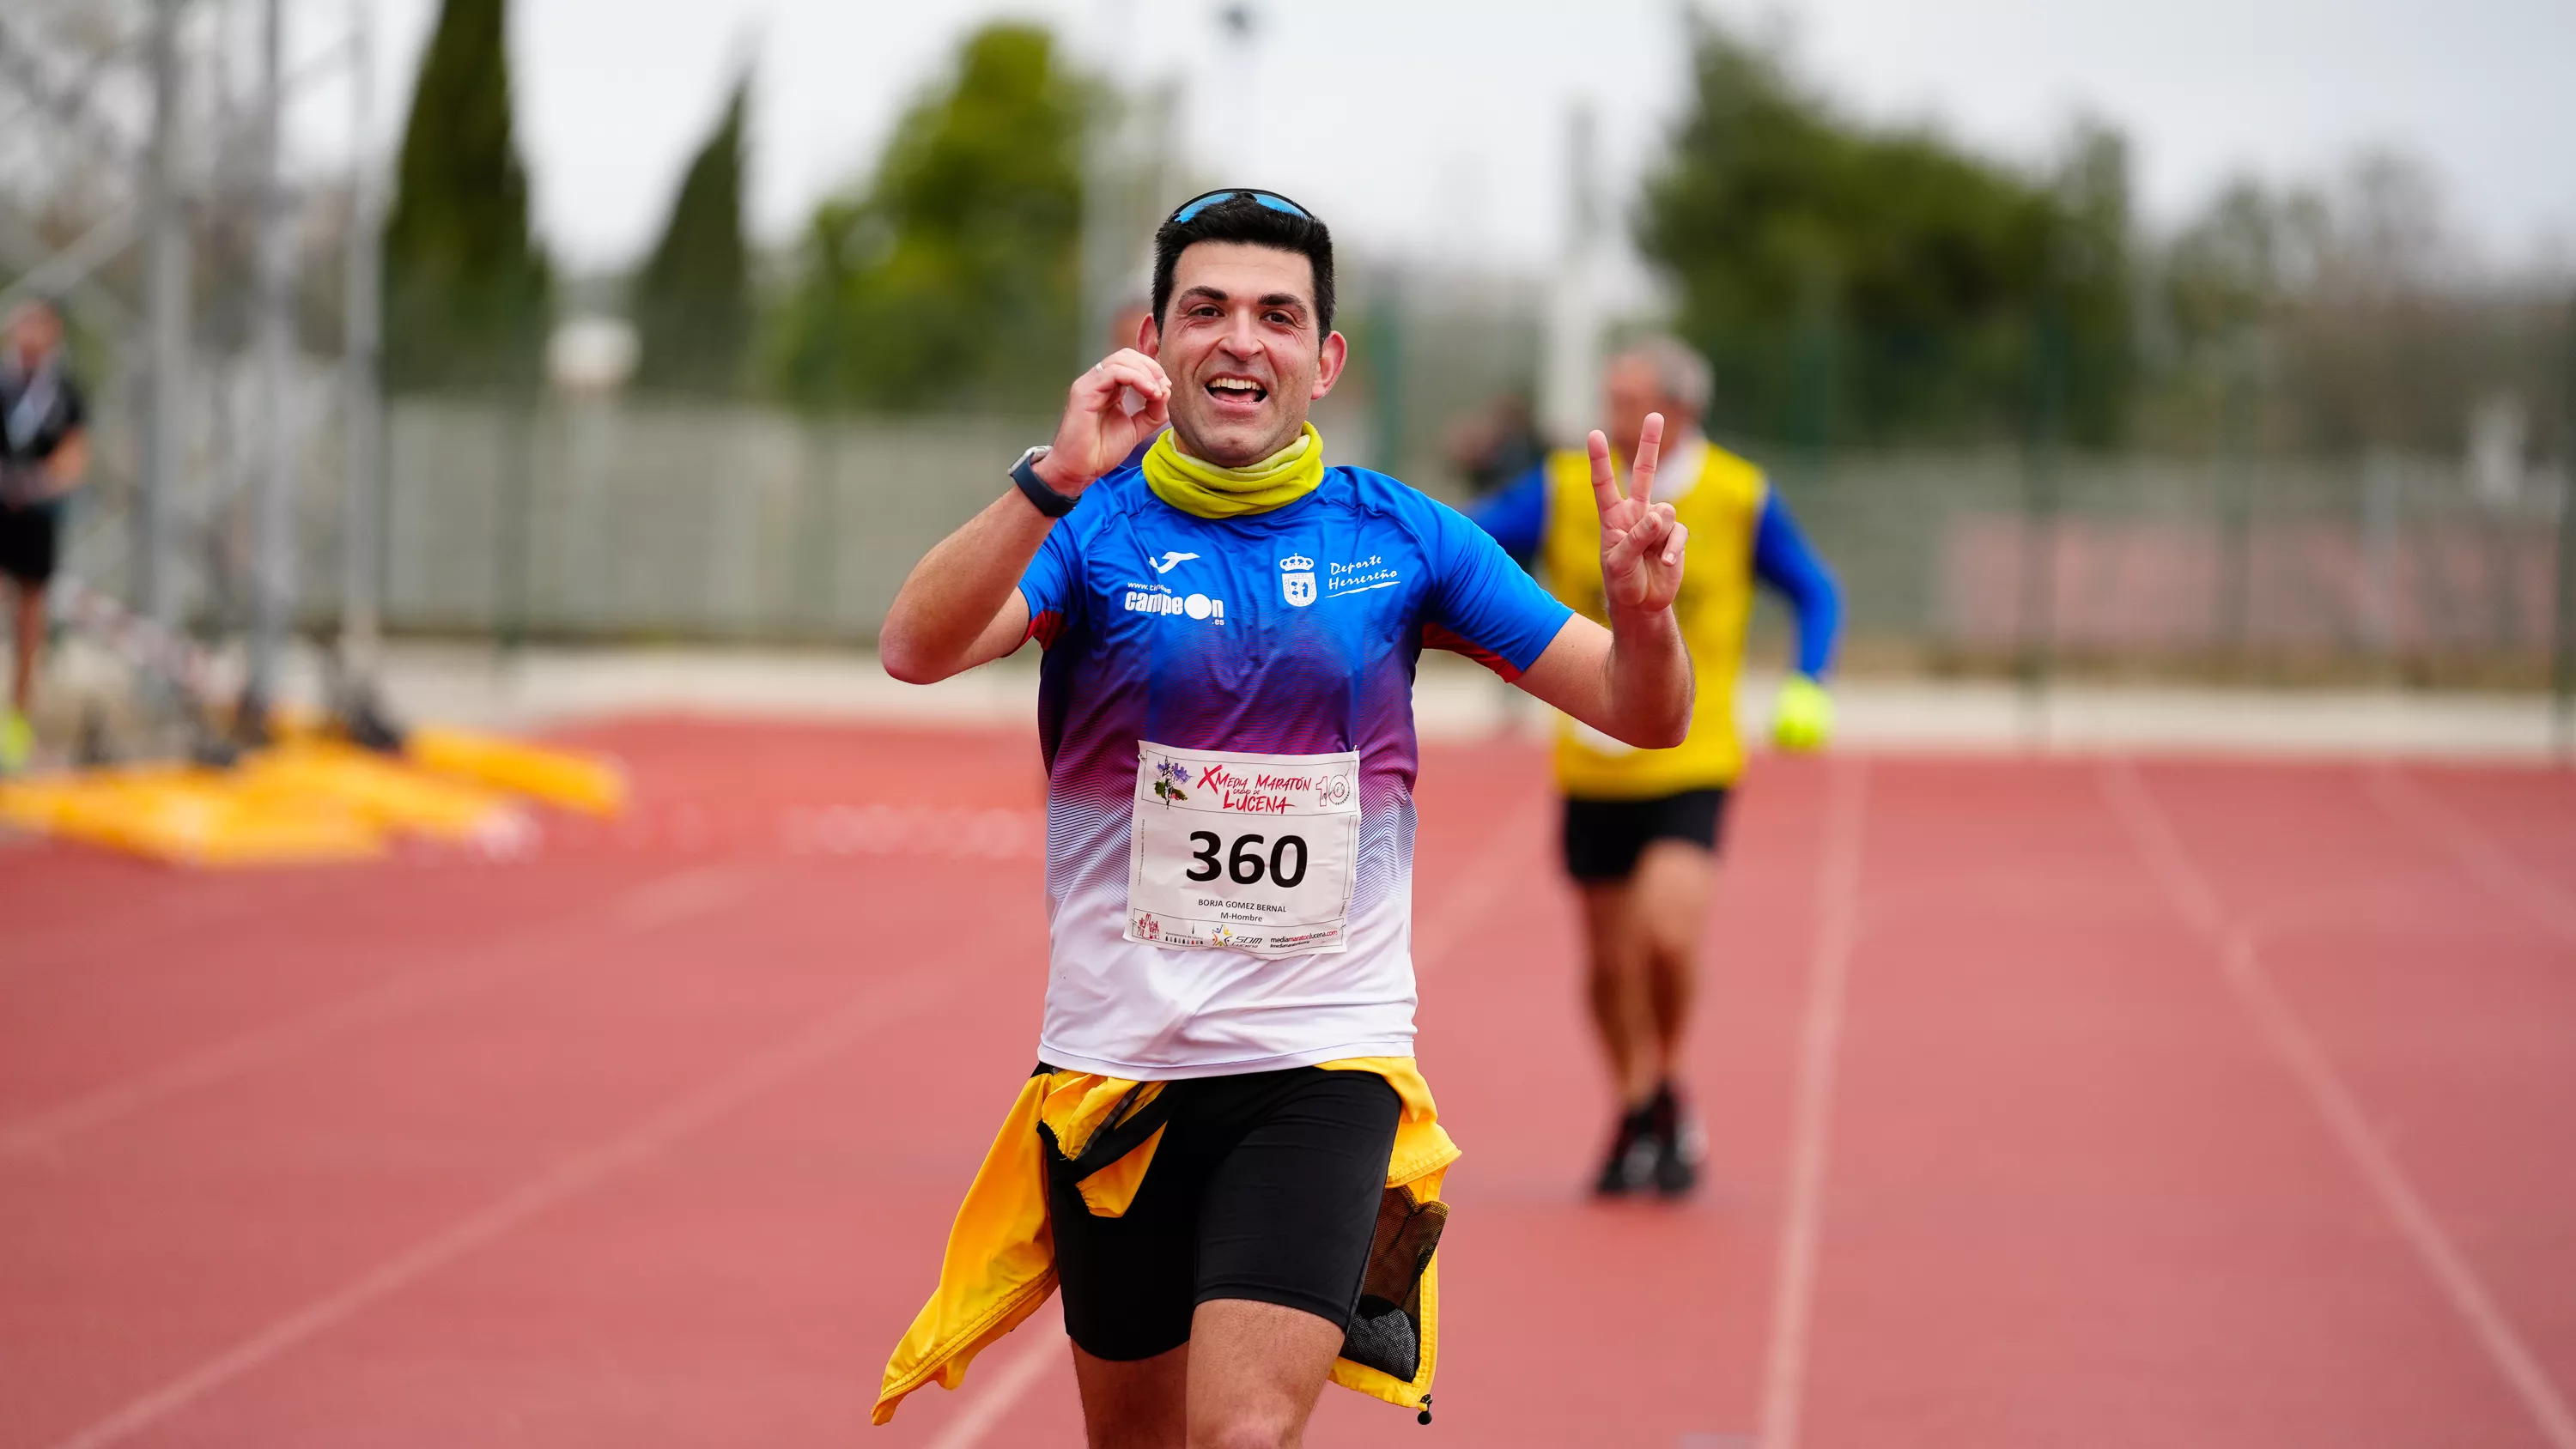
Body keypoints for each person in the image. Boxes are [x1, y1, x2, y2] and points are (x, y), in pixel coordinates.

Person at [873, 190, 1695, 1448]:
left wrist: (1645, 620)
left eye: (1277, 314)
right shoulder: (1089, 528)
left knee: (1244, 1435)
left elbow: (1640, 713)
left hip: (1322, 1060)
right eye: (1206, 310)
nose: (1240, 339)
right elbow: (915, 650)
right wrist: (1053, 477)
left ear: (1327, 358)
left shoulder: (1403, 537)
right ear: (1152, 340)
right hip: (1115, 1073)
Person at [1469, 337, 1841, 1197]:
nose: (1612, 411)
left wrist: (1809, 680)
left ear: (1681, 410)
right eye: (1609, 394)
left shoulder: (1741, 496)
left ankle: (1665, 1076)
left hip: (1690, 752)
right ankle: (1640, 1102)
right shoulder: (1565, 486)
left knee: (1665, 936)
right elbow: (1465, 544)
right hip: (1589, 757)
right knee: (1604, 965)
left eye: (1631, 398)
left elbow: (1817, 589)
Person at [0, 300, 88, 773]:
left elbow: (74, 455)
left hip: (35, 522)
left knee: (28, 625)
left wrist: (41, 483)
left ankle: (16, 728)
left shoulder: (63, 394)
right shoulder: (4, 386)